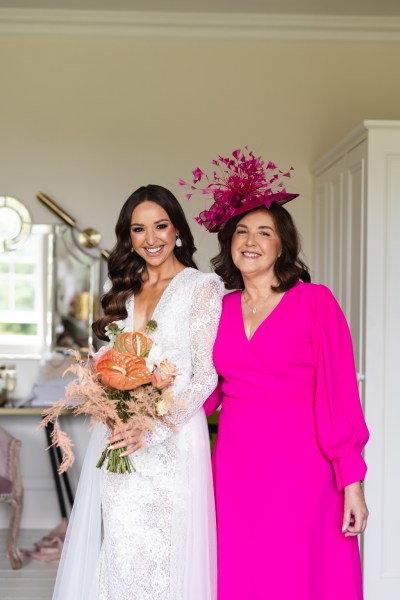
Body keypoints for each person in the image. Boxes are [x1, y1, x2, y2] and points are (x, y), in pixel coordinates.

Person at [184, 148, 369, 600]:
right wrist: (145, 407)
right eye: (241, 231)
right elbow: (203, 393)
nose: (251, 240)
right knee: (239, 573)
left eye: (264, 232)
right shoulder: (219, 308)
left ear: (281, 244)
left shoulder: (315, 302)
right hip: (235, 469)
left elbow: (339, 397)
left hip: (303, 469)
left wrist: (353, 484)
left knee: (299, 574)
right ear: (229, 242)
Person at [52, 184, 223, 600]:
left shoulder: (203, 287)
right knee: (122, 550)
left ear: (177, 229)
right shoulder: (125, 288)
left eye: (161, 226)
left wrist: (154, 429)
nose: (151, 239)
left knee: (167, 557)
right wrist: (108, 405)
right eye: (139, 229)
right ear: (128, 237)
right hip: (120, 442)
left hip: (172, 443)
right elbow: (106, 363)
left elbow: (205, 376)